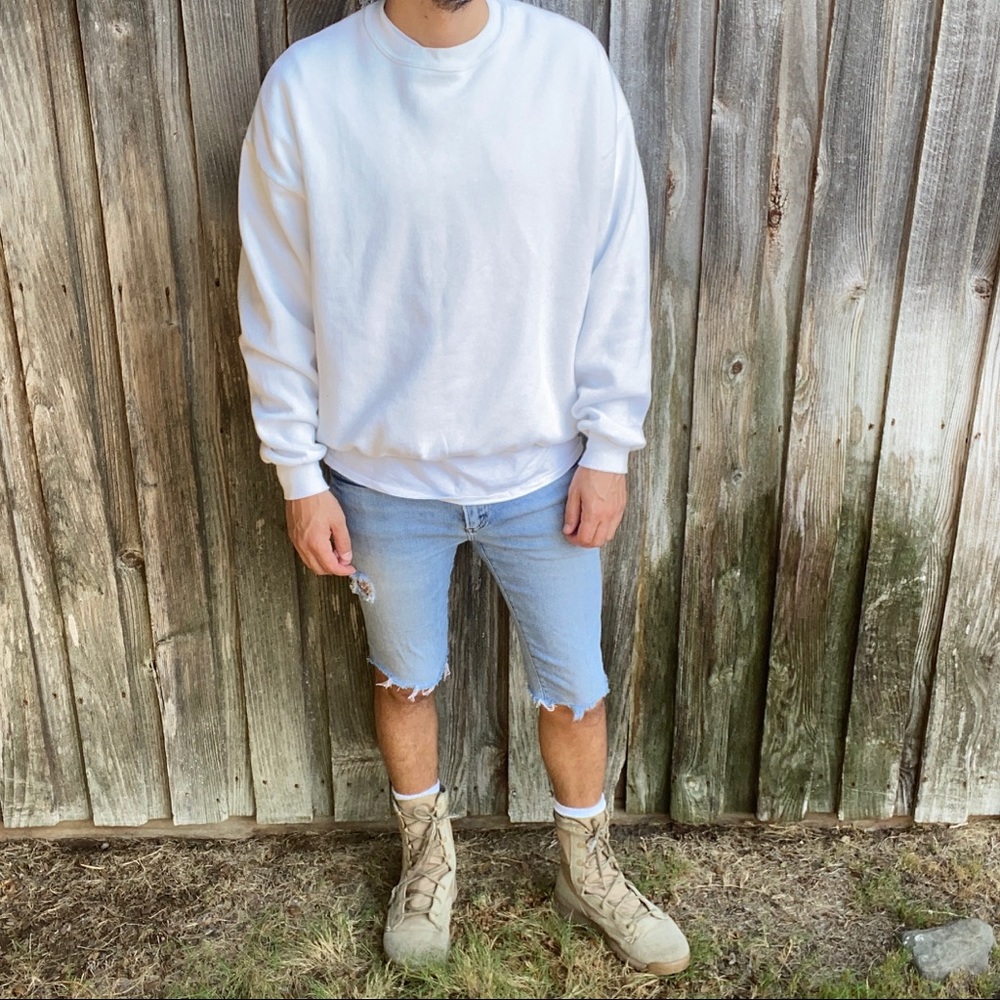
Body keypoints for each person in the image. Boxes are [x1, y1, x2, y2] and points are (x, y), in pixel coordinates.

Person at [237, 0, 689, 976]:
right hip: (381, 476)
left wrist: (609, 445)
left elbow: (617, 267)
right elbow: (271, 293)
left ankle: (586, 862)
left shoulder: (567, 68)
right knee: (405, 676)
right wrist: (298, 474)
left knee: (575, 684)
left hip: (544, 469)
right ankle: (426, 859)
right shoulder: (309, 88)